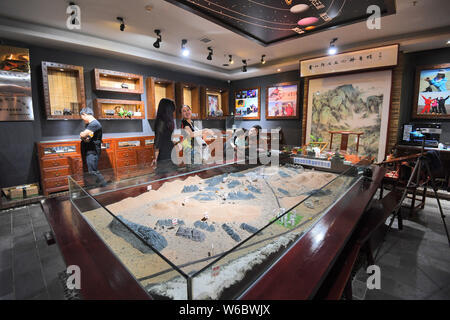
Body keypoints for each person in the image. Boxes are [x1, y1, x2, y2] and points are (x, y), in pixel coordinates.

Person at [79, 107, 106, 187]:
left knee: (93, 170)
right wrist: (85, 137)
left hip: (93, 151)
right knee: (93, 169)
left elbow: (83, 135)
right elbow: (87, 137)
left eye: (82, 118)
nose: (83, 120)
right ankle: (101, 186)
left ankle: (104, 186)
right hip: (90, 150)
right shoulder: (90, 124)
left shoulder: (94, 124)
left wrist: (82, 134)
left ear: (84, 114)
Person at [152, 98, 177, 173]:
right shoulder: (166, 122)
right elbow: (159, 141)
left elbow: (158, 141)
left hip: (166, 153)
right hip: (169, 152)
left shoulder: (161, 121)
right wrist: (156, 159)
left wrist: (155, 158)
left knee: (165, 177)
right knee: (171, 175)